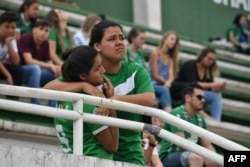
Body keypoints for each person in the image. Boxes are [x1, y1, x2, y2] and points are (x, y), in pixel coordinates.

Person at [44, 20, 155, 165]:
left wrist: (112, 101)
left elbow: (149, 100)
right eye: (112, 39)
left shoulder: (136, 71)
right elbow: (47, 89)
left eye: (122, 38)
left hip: (130, 155)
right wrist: (83, 85)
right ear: (97, 46)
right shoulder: (85, 70)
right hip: (98, 156)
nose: (119, 43)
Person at [54, 45, 119, 159]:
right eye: (98, 68)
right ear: (83, 76)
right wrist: (111, 104)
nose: (103, 71)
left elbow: (44, 89)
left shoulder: (63, 93)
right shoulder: (88, 103)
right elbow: (112, 146)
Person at [159, 83, 219, 167]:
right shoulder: (177, 113)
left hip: (189, 155)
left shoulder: (201, 119)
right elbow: (182, 144)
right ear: (188, 97)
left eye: (204, 98)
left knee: (217, 161)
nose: (203, 100)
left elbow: (207, 145)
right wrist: (205, 156)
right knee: (197, 158)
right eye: (199, 97)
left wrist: (215, 159)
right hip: (169, 156)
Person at [170, 47, 226, 121]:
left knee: (217, 95)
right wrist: (214, 84)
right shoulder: (190, 64)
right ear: (202, 56)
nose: (211, 62)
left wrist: (219, 88)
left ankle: (215, 121)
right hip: (180, 92)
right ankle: (212, 121)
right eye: (209, 59)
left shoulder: (207, 71)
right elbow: (193, 85)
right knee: (196, 92)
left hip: (194, 94)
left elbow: (208, 88)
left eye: (213, 60)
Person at [17, 19, 60, 105]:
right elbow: (29, 61)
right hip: (20, 72)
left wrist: (56, 69)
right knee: (35, 68)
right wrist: (50, 66)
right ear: (34, 29)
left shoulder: (46, 44)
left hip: (35, 76)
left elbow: (49, 62)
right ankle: (35, 103)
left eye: (46, 31)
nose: (43, 33)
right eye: (41, 29)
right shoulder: (26, 38)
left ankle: (53, 105)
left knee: (54, 73)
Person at [149, 31, 179, 112]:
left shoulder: (170, 59)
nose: (174, 42)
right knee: (165, 90)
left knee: (166, 90)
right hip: (151, 84)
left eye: (175, 41)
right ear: (165, 39)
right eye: (172, 39)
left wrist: (168, 82)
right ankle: (169, 113)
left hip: (163, 86)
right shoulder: (155, 53)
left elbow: (171, 76)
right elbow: (155, 75)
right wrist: (166, 82)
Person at [0, 11, 23, 99]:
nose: (10, 30)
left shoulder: (10, 38)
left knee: (18, 70)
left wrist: (9, 43)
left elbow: (16, 61)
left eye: (13, 27)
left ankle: (12, 102)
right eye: (7, 26)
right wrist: (8, 75)